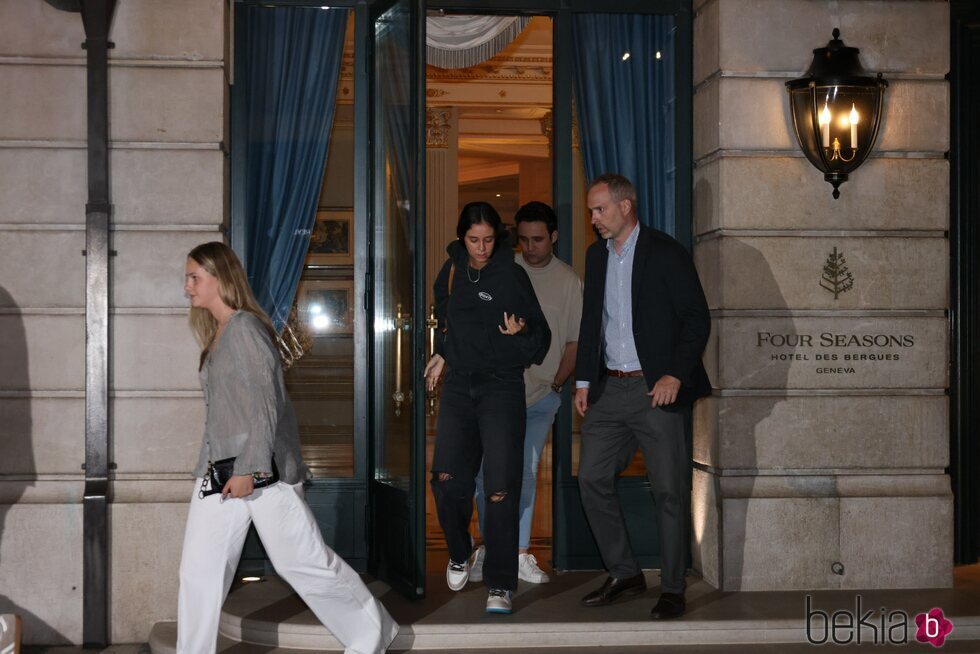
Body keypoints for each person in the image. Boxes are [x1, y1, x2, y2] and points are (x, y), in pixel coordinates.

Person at [177, 241, 398, 654]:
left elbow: (265, 404)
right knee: (198, 572)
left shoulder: (244, 328)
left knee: (303, 562)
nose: (187, 287)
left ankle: (371, 635)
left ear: (220, 279)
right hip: (220, 468)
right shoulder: (220, 330)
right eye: (187, 278)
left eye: (194, 277)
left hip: (261, 470)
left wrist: (250, 468)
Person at [574, 174, 711, 620]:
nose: (593, 218)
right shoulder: (596, 257)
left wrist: (675, 373)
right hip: (610, 388)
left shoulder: (666, 253)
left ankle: (672, 587)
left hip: (656, 389)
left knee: (669, 492)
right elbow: (592, 321)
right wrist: (582, 382)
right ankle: (625, 572)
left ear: (626, 206)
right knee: (591, 477)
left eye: (600, 210)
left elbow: (696, 319)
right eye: (592, 211)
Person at [424, 202, 551, 614]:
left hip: (501, 386)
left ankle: (500, 583)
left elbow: (540, 340)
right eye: (474, 240)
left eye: (489, 240)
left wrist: (520, 333)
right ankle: (461, 551)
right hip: (459, 386)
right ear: (462, 237)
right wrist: (442, 353)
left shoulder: (511, 274)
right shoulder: (452, 273)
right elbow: (445, 321)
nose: (482, 248)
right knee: (445, 478)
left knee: (499, 487)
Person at [470, 201, 582, 584]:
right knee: (487, 475)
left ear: (553, 237)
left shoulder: (569, 282)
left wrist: (556, 383)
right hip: (496, 393)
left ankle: (517, 553)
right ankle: (491, 547)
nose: (530, 247)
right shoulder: (502, 271)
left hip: (540, 397)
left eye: (537, 239)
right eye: (523, 240)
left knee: (525, 473)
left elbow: (574, 342)